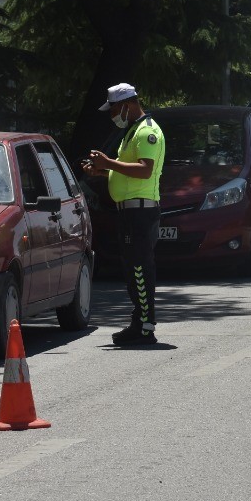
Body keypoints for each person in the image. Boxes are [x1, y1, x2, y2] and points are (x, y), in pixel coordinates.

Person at [82, 82, 166, 347]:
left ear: (128, 105)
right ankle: (139, 321)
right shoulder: (133, 131)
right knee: (132, 270)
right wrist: (103, 171)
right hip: (130, 212)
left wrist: (107, 162)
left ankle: (145, 326)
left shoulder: (147, 133)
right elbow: (129, 170)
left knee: (140, 269)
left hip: (140, 213)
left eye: (114, 109)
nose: (112, 115)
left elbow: (144, 170)